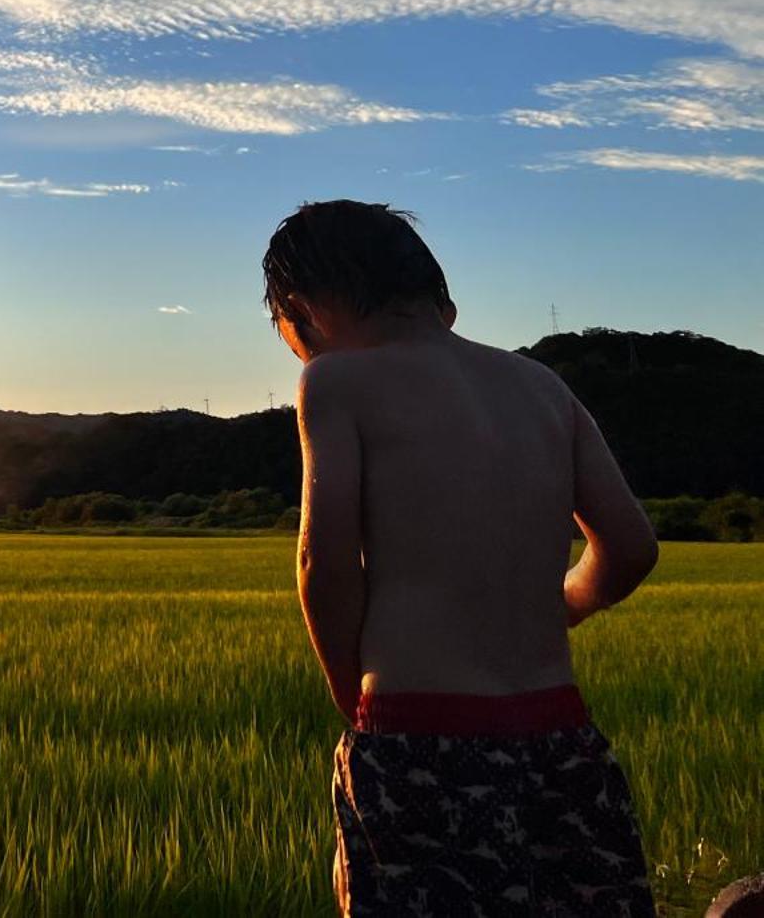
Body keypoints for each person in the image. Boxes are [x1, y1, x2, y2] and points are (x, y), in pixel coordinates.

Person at [266, 200, 660, 917]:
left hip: (418, 736)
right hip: (561, 735)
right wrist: (564, 603)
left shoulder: (336, 383)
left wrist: (354, 710)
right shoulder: (543, 387)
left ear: (302, 310)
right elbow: (632, 548)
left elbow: (322, 566)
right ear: (436, 294)